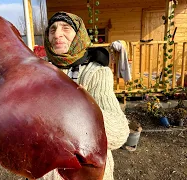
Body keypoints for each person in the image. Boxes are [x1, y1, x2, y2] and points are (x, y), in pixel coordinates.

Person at [38, 12, 130, 180]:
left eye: (65, 28)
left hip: (89, 172)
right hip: (47, 172)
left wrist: (84, 109)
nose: (57, 34)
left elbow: (119, 133)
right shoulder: (39, 71)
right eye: (52, 30)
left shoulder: (97, 72)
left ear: (79, 34)